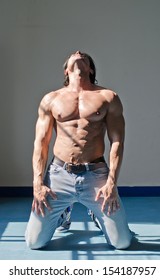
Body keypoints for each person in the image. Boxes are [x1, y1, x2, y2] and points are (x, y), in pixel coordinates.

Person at [25, 51, 133, 250]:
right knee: (34, 242)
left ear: (90, 68)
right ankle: (63, 212)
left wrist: (111, 183)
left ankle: (96, 214)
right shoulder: (51, 99)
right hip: (59, 175)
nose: (78, 53)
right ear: (66, 70)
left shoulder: (108, 97)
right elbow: (40, 144)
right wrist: (37, 184)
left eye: (83, 55)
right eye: (73, 55)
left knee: (122, 243)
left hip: (95, 174)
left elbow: (117, 142)